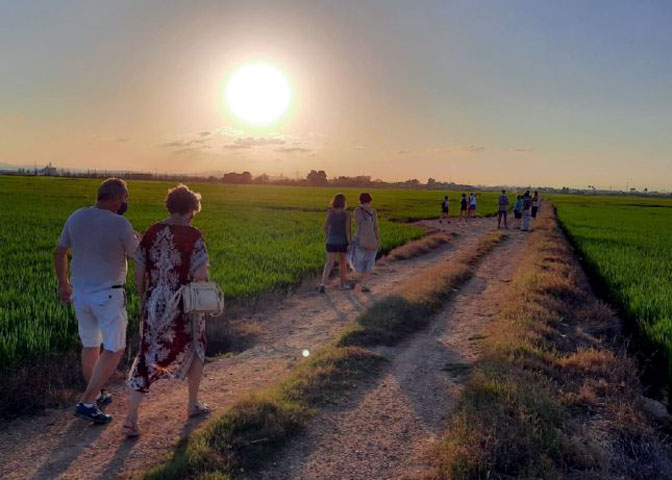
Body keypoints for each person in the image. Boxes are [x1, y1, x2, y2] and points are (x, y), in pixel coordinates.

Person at [124, 184, 211, 437]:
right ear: (191, 209)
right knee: (196, 346)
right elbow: (200, 274)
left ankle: (131, 416)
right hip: (184, 303)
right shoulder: (193, 236)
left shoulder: (152, 232)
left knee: (147, 352)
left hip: (155, 302)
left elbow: (139, 269)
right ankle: (193, 403)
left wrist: (143, 297)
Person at [54, 178, 140, 424]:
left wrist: (63, 283)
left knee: (91, 345)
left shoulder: (77, 216)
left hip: (80, 294)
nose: (125, 203)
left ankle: (98, 395)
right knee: (114, 348)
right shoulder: (120, 223)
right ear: (115, 199)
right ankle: (88, 402)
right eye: (124, 199)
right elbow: (137, 255)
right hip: (108, 295)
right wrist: (140, 239)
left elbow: (60, 251)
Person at [319, 193, 351, 293]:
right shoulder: (346, 214)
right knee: (342, 264)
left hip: (331, 241)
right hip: (342, 242)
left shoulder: (330, 213)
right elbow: (347, 230)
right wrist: (349, 243)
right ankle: (342, 284)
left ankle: (323, 284)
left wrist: (327, 237)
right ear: (344, 203)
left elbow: (325, 227)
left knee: (329, 263)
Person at [349, 193, 380, 293]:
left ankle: (354, 279)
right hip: (371, 238)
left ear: (360, 200)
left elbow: (358, 223)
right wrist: (377, 240)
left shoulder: (357, 211)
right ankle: (364, 285)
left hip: (359, 239)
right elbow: (375, 228)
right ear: (370, 200)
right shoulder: (373, 211)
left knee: (358, 261)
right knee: (370, 262)